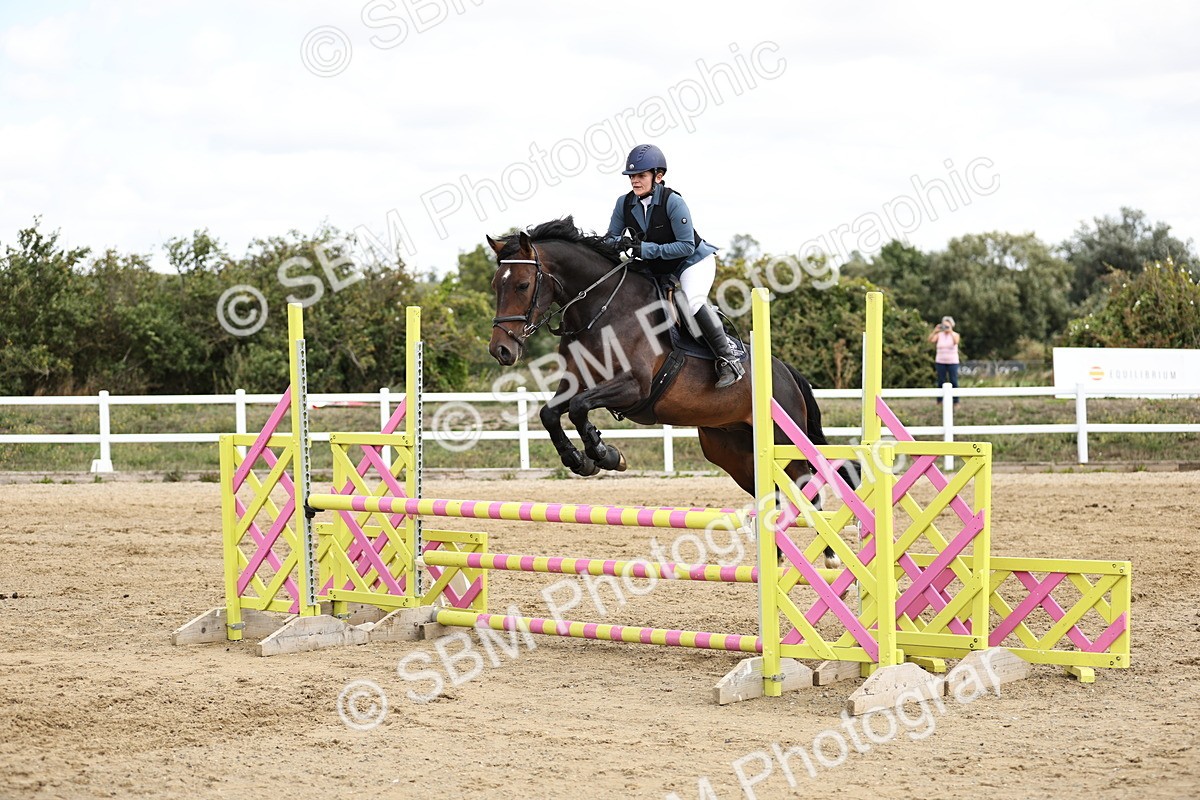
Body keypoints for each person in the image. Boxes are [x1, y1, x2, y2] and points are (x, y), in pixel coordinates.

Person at [606, 143, 743, 388]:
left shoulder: (673, 202)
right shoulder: (623, 203)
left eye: (641, 176)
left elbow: (686, 246)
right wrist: (620, 243)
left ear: (658, 177)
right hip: (659, 268)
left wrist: (647, 249)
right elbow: (610, 239)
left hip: (692, 262)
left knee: (692, 302)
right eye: (632, 177)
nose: (635, 181)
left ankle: (728, 358)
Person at [928, 315, 961, 403]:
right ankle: (939, 400)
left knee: (954, 381)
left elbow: (956, 342)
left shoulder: (955, 335)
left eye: (947, 326)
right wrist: (935, 331)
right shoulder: (939, 335)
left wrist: (950, 332)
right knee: (940, 381)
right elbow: (930, 340)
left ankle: (956, 401)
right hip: (940, 361)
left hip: (952, 362)